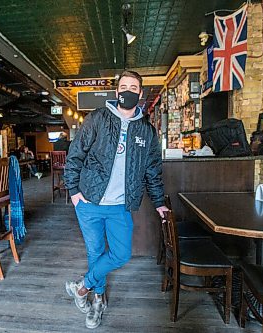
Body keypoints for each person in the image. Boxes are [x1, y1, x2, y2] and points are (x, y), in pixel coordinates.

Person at [63, 70, 168, 329]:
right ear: (117, 91)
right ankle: (98, 301)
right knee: (95, 252)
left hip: (121, 206)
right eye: (124, 86)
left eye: (134, 87)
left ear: (140, 93)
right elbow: (75, 154)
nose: (128, 91)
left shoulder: (147, 130)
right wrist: (74, 193)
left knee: (121, 254)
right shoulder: (97, 119)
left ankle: (82, 287)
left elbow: (152, 170)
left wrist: (159, 202)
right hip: (89, 202)